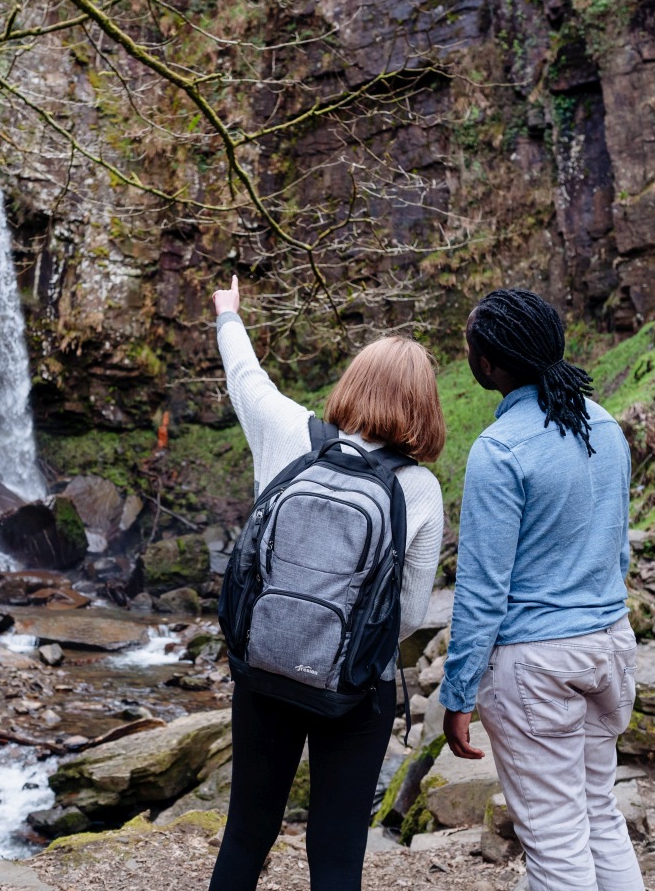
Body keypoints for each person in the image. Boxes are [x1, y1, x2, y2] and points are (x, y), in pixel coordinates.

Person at [208, 275, 446, 891]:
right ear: (425, 406)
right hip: (355, 692)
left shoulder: (291, 436)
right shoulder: (419, 488)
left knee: (245, 833)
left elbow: (247, 380)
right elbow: (411, 613)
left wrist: (229, 314)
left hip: (265, 672)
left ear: (353, 384)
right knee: (337, 853)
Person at [438, 288, 644, 891]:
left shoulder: (499, 451)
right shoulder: (605, 427)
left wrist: (458, 694)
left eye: (472, 346)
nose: (469, 355)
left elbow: (482, 591)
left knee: (555, 841)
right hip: (609, 646)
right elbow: (618, 550)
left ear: (492, 364)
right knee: (599, 814)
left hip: (537, 665)